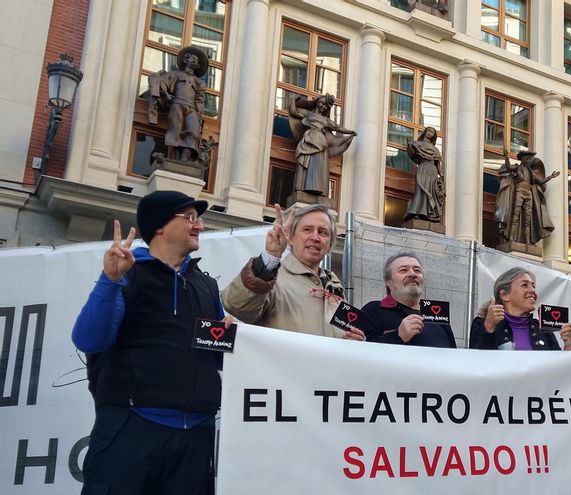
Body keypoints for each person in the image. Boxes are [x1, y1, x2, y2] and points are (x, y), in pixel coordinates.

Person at [72, 190, 230, 494]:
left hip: (196, 438)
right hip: (131, 429)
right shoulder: (128, 274)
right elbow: (89, 338)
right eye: (191, 218)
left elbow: (218, 357)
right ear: (160, 225)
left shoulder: (206, 286)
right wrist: (110, 281)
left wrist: (235, 337)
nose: (200, 226)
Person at [221, 204, 365, 340]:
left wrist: (354, 342)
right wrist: (270, 257)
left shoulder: (335, 289)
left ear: (329, 245)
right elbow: (238, 306)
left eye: (323, 232)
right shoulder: (272, 279)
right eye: (307, 229)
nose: (315, 237)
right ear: (291, 238)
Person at [360, 253, 456, 348]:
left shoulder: (437, 316)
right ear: (388, 282)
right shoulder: (373, 310)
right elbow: (360, 352)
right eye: (403, 270)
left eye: (417, 270)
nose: (412, 274)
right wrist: (397, 336)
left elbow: (453, 354)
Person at [470, 267, 571, 350]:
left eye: (533, 286)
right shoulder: (481, 324)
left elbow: (557, 370)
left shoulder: (542, 329)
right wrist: (489, 327)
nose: (532, 290)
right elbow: (477, 365)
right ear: (504, 295)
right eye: (525, 285)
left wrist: (569, 346)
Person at [289, 94, 357, 198]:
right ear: (317, 102)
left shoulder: (326, 120)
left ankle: (315, 187)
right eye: (322, 103)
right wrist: (293, 99)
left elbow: (338, 128)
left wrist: (350, 132)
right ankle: (302, 187)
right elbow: (294, 112)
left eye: (325, 106)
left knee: (317, 166)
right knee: (304, 163)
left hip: (320, 143)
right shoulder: (308, 113)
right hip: (308, 140)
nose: (323, 107)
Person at [148, 46, 208, 162]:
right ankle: (171, 159)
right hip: (177, 105)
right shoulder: (175, 74)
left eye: (197, 61)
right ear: (186, 60)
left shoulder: (199, 82)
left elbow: (200, 99)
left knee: (194, 131)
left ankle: (184, 159)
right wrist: (166, 94)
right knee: (175, 130)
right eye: (193, 59)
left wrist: (200, 114)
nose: (195, 61)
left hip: (191, 109)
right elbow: (162, 83)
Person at [495, 149, 559, 245]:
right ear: (523, 159)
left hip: (528, 195)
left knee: (527, 220)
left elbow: (540, 181)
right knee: (515, 216)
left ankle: (528, 242)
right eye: (527, 158)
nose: (529, 160)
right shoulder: (517, 168)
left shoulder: (531, 172)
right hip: (519, 193)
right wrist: (506, 157)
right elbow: (508, 167)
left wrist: (551, 177)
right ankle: (511, 239)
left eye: (530, 159)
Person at [404, 127, 445, 223]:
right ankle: (416, 211)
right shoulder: (417, 144)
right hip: (423, 167)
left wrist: (441, 175)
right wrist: (409, 146)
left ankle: (428, 213)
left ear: (434, 136)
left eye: (432, 132)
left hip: (433, 171)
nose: (430, 133)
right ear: (425, 132)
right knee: (421, 190)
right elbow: (412, 154)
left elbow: (437, 164)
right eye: (429, 131)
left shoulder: (435, 149)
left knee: (431, 191)